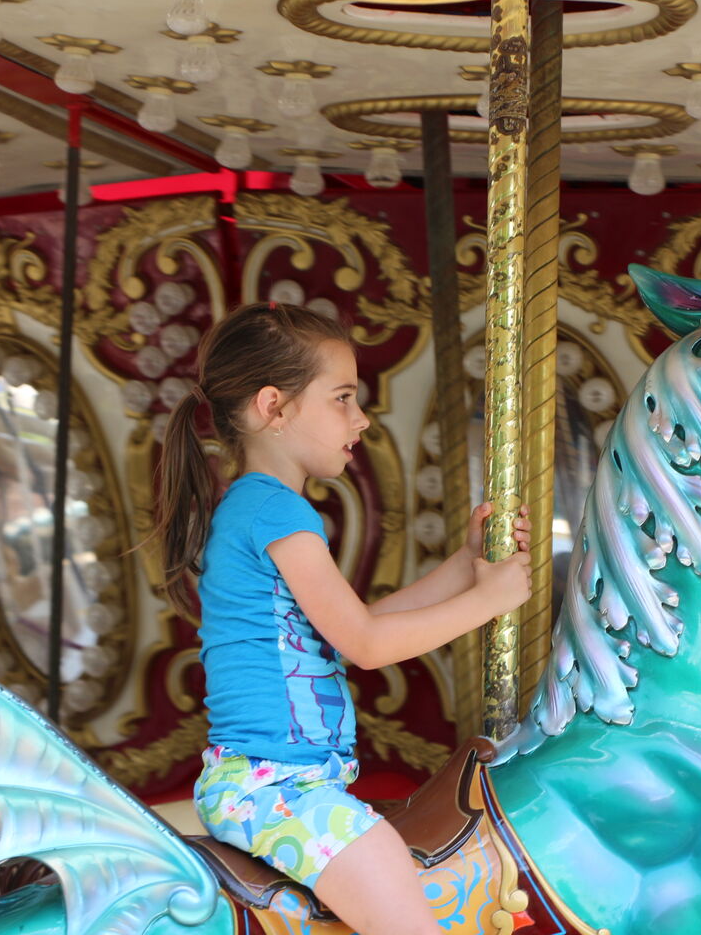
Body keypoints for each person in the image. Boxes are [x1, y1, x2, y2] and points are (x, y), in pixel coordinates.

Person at [156, 302, 531, 935]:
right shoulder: (276, 514)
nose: (361, 418)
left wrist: (467, 567)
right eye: (342, 398)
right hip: (274, 790)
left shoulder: (258, 507)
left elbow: (350, 626)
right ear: (273, 407)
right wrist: (487, 602)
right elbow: (366, 644)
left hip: (278, 784)